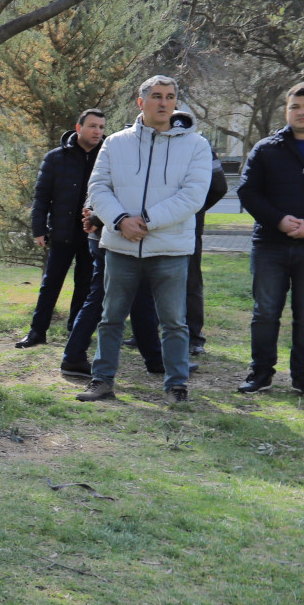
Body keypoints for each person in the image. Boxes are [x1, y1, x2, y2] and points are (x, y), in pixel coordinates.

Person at [78, 76, 213, 404]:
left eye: (169, 97)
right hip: (121, 246)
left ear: (175, 102)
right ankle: (102, 380)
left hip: (170, 249)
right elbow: (98, 188)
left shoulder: (196, 145)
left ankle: (176, 385)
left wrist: (147, 222)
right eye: (155, 96)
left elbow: (193, 196)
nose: (163, 103)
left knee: (173, 322)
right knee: (111, 318)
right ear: (141, 102)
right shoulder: (116, 143)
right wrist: (122, 221)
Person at [234, 81, 304, 394]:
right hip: (269, 246)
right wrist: (278, 221)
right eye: (296, 107)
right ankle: (260, 374)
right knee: (265, 313)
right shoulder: (266, 148)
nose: (301, 112)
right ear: (287, 110)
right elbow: (247, 192)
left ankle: (302, 378)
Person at [17, 111, 106, 348]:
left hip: (93, 233)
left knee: (85, 285)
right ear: (79, 127)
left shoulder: (108, 157)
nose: (97, 131)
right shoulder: (56, 157)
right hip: (62, 232)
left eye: (101, 127)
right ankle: (37, 332)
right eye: (92, 126)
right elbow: (41, 196)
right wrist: (39, 228)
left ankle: (75, 334)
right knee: (51, 283)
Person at [59, 202, 164, 379]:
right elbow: (123, 196)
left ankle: (155, 358)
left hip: (105, 236)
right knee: (118, 298)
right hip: (115, 239)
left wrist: (93, 215)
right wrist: (95, 216)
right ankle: (73, 356)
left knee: (130, 298)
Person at [186, 142, 230, 355]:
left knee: (188, 282)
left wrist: (195, 208)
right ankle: (192, 338)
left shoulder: (201, 147)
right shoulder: (201, 145)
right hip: (167, 224)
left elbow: (219, 187)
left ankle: (193, 336)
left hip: (184, 225)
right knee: (189, 281)